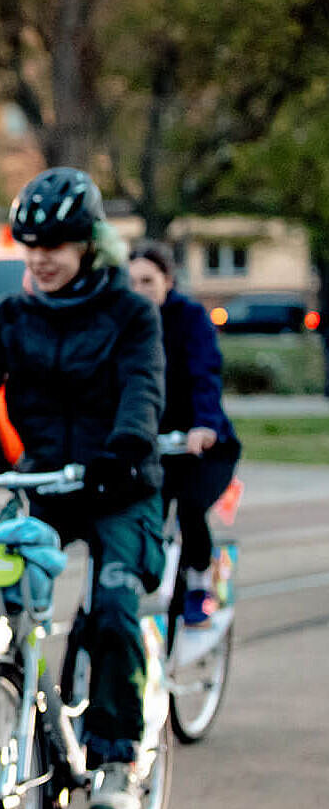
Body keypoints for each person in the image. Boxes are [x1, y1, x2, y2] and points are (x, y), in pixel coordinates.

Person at [0, 167, 165, 809]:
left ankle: (115, 756)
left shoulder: (129, 313)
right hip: (43, 479)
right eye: (30, 244)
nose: (40, 257)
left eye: (55, 243)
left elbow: (142, 388)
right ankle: (17, 703)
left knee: (111, 603)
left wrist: (125, 447)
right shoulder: (12, 317)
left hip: (118, 482)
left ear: (88, 244)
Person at [128, 242, 241, 625]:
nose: (139, 290)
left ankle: (199, 584)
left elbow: (204, 373)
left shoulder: (190, 318)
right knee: (141, 513)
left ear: (168, 281)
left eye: (148, 281)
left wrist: (204, 424)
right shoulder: (123, 323)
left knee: (191, 507)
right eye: (131, 282)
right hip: (153, 447)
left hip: (202, 447)